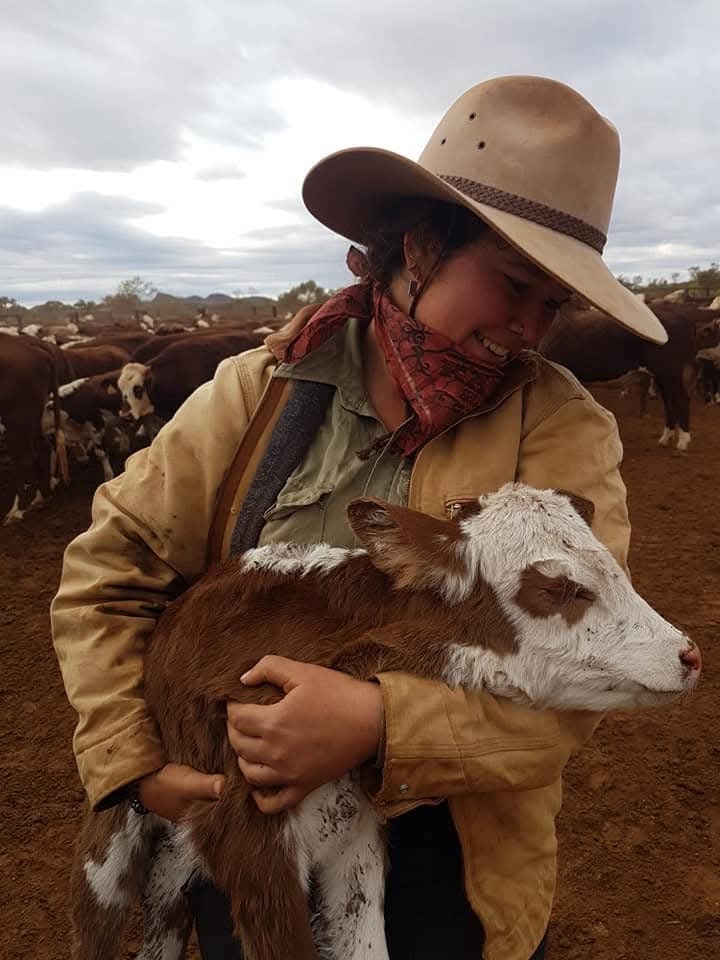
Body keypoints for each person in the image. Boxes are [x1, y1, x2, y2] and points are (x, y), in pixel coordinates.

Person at [52, 75, 666, 960]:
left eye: (553, 302)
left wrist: (380, 724)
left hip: (456, 854)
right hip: (250, 813)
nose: (530, 327)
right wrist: (133, 761)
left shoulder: (563, 429)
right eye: (512, 284)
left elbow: (586, 668)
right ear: (418, 248)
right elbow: (107, 574)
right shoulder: (257, 392)